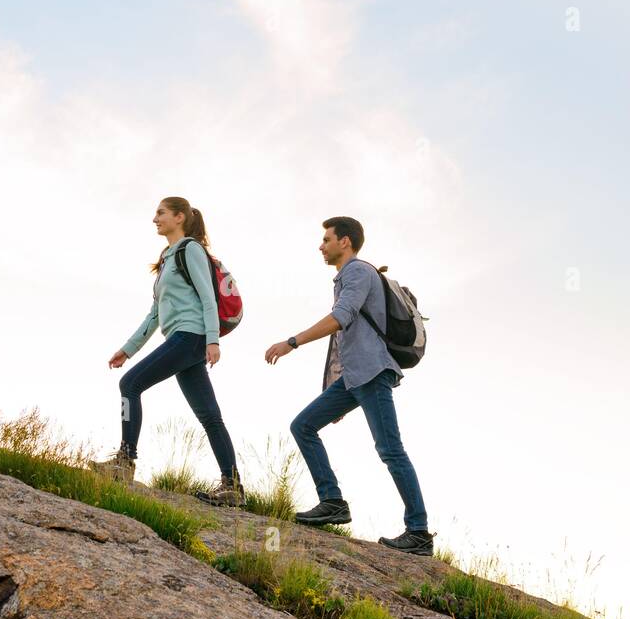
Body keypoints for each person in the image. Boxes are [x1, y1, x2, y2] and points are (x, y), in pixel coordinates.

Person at [264, 216, 433, 555]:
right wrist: (336, 388)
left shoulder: (358, 272)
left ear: (345, 242)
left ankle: (418, 532)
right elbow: (345, 338)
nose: (321, 245)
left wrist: (292, 342)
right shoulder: (345, 277)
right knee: (304, 426)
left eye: (326, 239)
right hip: (353, 378)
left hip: (372, 373)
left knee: (390, 449)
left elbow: (340, 319)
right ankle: (332, 502)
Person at [92, 196, 244, 506]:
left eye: (161, 213)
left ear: (179, 217)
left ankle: (125, 460)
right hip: (182, 340)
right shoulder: (167, 260)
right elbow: (154, 315)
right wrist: (128, 350)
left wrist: (213, 340)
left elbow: (208, 298)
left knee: (129, 385)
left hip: (191, 337)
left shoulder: (191, 250)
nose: (155, 219)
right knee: (210, 416)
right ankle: (233, 488)